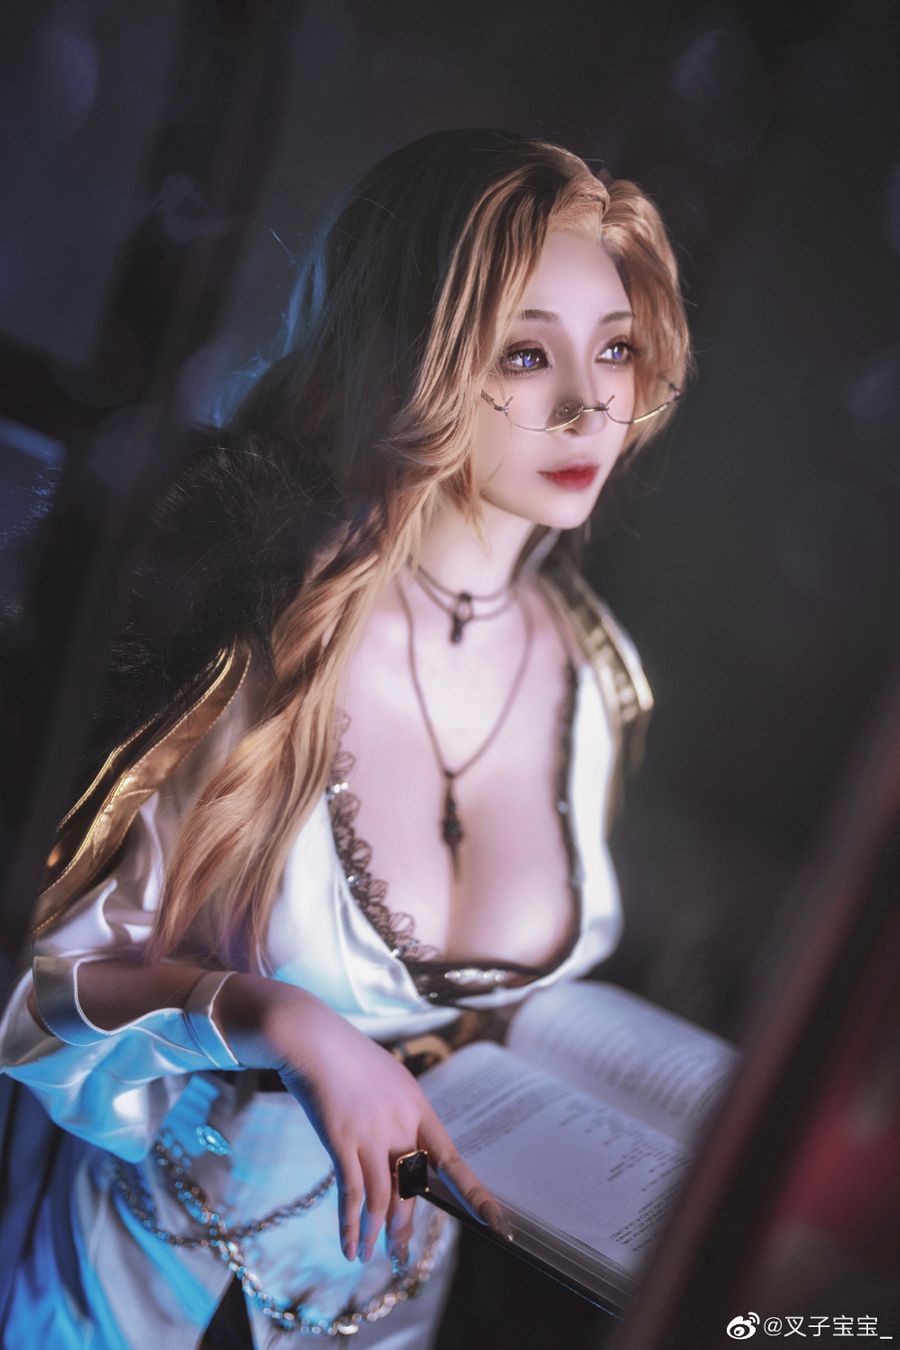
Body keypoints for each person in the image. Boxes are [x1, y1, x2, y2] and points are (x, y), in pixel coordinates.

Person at [0, 128, 690, 1347]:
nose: (588, 403)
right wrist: (278, 1019)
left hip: (399, 1297)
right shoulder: (246, 624)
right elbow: (26, 982)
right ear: (410, 352)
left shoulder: (596, 673)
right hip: (145, 1280)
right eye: (526, 353)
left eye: (617, 349)